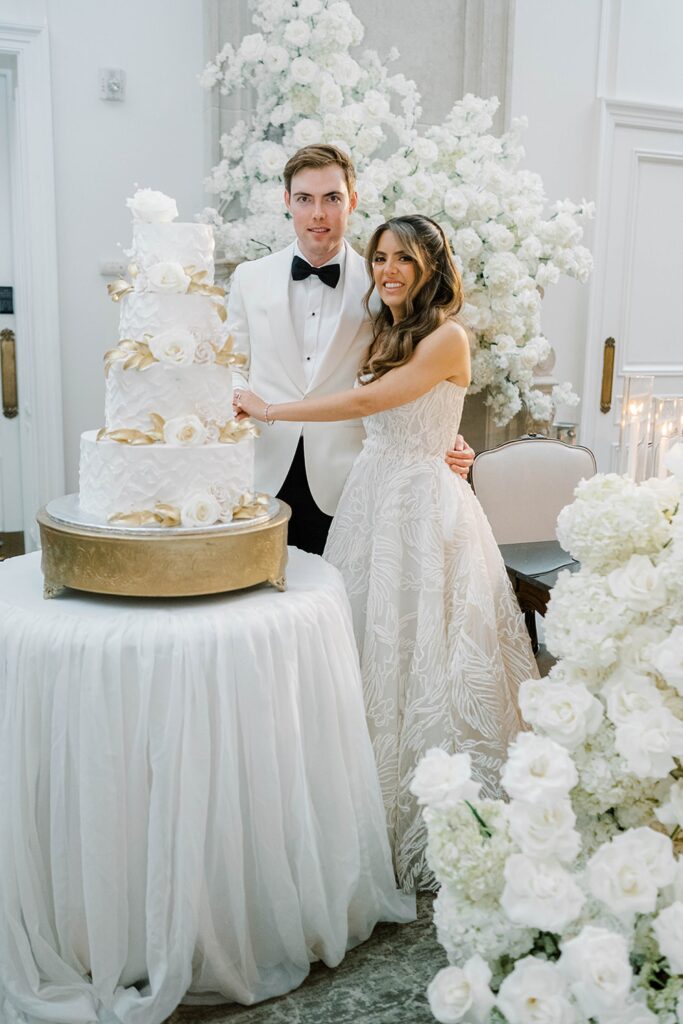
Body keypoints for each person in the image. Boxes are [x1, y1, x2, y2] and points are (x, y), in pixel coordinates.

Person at [234, 215, 538, 891]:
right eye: (378, 259)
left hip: (423, 512)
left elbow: (372, 399)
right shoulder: (387, 329)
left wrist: (271, 410)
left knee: (427, 649)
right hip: (371, 500)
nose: (387, 270)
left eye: (402, 259)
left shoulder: (446, 335)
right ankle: (360, 799)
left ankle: (437, 812)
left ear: (432, 265)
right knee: (369, 648)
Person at [227, 144, 474, 555]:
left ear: (352, 201)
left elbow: (413, 370)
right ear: (288, 202)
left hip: (349, 480)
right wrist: (238, 399)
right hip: (261, 470)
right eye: (305, 199)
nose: (318, 213)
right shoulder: (248, 278)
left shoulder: (385, 282)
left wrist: (443, 438)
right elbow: (231, 364)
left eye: (332, 198)